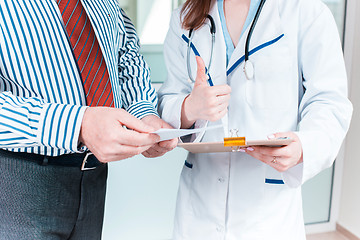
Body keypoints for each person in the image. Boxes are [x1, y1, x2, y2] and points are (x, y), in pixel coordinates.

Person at [158, 0, 353, 239]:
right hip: (200, 204)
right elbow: (168, 98)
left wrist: (304, 146)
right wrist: (190, 107)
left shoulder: (306, 12)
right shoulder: (184, 17)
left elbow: (329, 101)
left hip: (268, 212)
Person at [0, 0, 177, 239]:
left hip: (93, 179)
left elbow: (124, 49)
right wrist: (79, 124)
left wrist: (142, 112)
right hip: (17, 182)